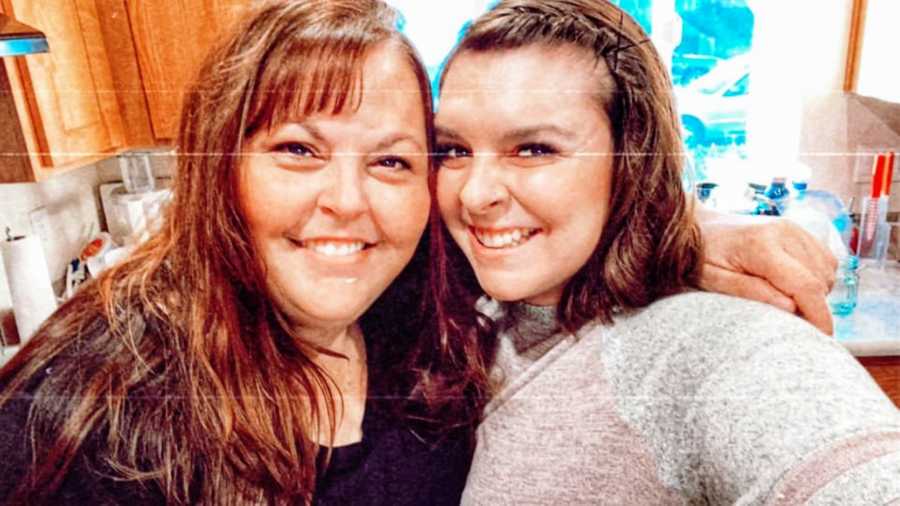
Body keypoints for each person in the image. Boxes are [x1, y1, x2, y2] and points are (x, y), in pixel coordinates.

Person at [0, 1, 483, 504]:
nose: (346, 201)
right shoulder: (93, 410)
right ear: (222, 166)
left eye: (390, 160)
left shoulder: (431, 332)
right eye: (298, 150)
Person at [431, 0, 900, 503]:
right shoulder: (456, 309)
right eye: (455, 150)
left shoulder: (708, 348)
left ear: (633, 159)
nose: (475, 194)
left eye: (534, 149)